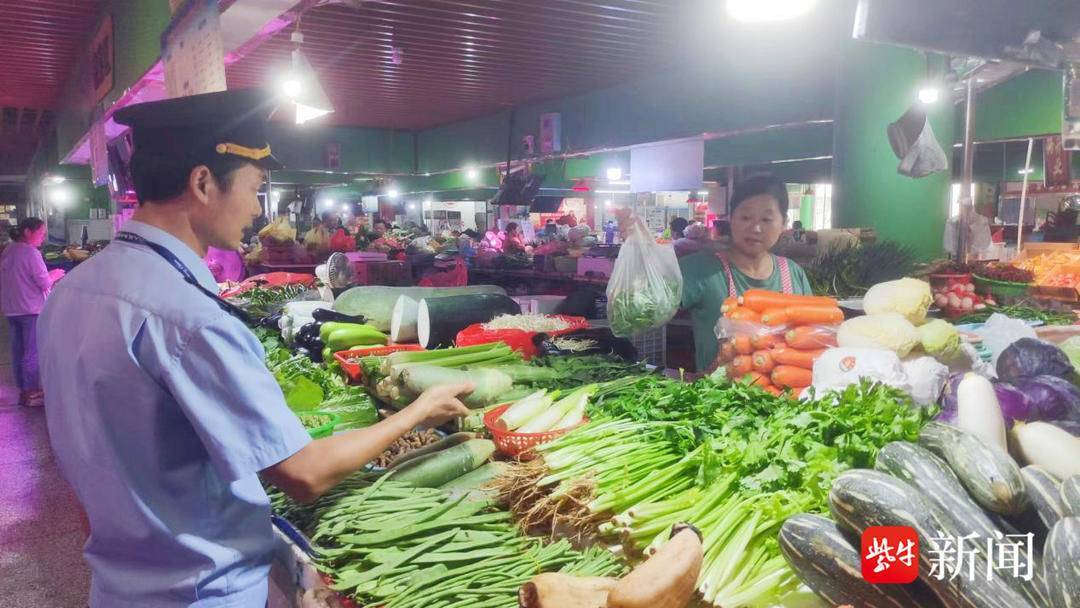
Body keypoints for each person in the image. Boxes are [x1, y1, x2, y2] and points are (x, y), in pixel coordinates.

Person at [37, 90, 473, 608]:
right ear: (203, 183)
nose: (256, 210)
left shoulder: (72, 290)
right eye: (254, 187)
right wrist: (418, 412)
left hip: (118, 585)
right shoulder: (187, 317)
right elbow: (302, 474)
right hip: (200, 593)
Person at [678, 174, 813, 371]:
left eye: (767, 219)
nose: (756, 228)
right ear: (731, 219)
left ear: (783, 223)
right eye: (745, 217)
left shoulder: (793, 274)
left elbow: (811, 339)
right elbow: (651, 309)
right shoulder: (701, 269)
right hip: (718, 398)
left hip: (788, 397)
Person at [0, 218, 63, 406]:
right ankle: (32, 392)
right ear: (28, 232)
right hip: (31, 309)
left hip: (12, 309)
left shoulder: (9, 250)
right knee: (32, 352)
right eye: (41, 234)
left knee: (18, 351)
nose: (42, 238)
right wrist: (56, 274)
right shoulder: (30, 253)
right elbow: (43, 283)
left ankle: (23, 389)